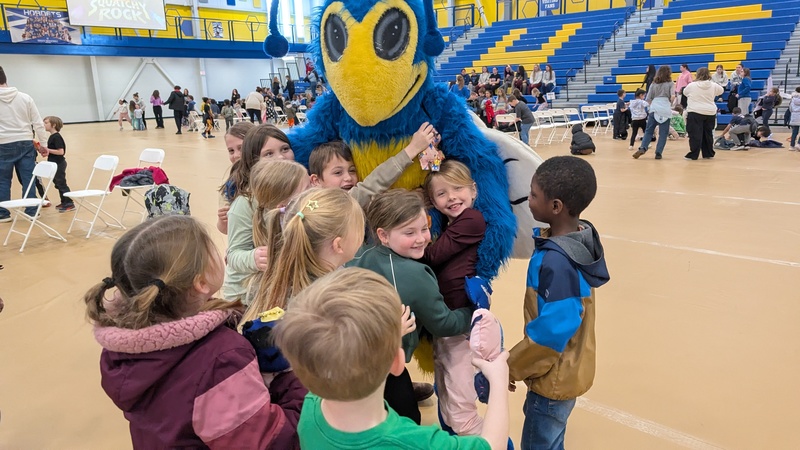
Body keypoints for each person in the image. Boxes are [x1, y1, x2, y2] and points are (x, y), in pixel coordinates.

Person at [85, 216, 306, 448]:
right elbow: (268, 442)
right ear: (200, 282)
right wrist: (292, 379)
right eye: (211, 246)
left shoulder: (122, 346)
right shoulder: (222, 357)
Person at [274, 267, 511, 450]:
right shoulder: (414, 442)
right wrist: (499, 381)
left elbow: (335, 357)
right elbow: (491, 445)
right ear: (398, 362)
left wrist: (381, 339)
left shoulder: (309, 408)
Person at [508, 156, 609, 450]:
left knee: (539, 442)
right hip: (568, 369)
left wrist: (511, 367)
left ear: (555, 207)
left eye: (534, 194)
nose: (528, 200)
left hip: (553, 378)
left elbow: (554, 330)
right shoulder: (578, 238)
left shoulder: (557, 261)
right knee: (552, 440)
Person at [349, 189, 474, 424]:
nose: (421, 238)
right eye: (409, 232)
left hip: (351, 359)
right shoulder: (416, 275)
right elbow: (444, 324)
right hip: (387, 365)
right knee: (407, 419)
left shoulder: (359, 255)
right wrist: (473, 311)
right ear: (383, 235)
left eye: (424, 228)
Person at [420, 161, 489, 436]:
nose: (451, 197)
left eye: (458, 188)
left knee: (460, 402)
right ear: (432, 200)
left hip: (461, 320)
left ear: (473, 190)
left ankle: (488, 441)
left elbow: (432, 256)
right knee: (446, 391)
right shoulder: (451, 224)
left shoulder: (472, 220)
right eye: (441, 193)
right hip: (446, 319)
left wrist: (405, 242)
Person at [222, 125, 295, 301]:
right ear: (254, 163)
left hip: (277, 290)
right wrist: (253, 258)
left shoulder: (299, 190)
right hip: (244, 297)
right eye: (268, 154)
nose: (280, 157)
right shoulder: (245, 203)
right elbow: (233, 255)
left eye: (285, 149)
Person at [308, 123, 437, 208]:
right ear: (316, 180)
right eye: (337, 172)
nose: (348, 177)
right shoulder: (330, 205)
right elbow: (373, 184)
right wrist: (412, 149)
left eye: (352, 170)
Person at [216, 121, 255, 234]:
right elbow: (225, 230)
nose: (236, 155)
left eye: (241, 148)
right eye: (231, 151)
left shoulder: (271, 176)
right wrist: (223, 221)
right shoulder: (229, 185)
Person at [633, 65, 675, 160]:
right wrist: (670, 102)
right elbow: (672, 96)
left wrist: (653, 105)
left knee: (649, 130)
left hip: (654, 108)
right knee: (663, 133)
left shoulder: (653, 84)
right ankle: (658, 152)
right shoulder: (671, 83)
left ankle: (643, 147)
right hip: (665, 108)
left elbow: (648, 99)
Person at [683, 67, 723, 160]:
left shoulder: (692, 85)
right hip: (710, 112)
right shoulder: (713, 85)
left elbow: (685, 92)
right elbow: (721, 90)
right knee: (708, 133)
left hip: (695, 111)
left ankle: (694, 154)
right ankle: (708, 153)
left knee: (695, 134)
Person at [39, 116, 74, 213]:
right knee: (58, 183)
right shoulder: (52, 137)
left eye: (46, 123)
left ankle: (69, 203)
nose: (43, 125)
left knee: (61, 183)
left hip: (59, 163)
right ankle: (64, 201)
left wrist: (47, 150)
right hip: (54, 163)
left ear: (53, 125)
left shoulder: (57, 137)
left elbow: (60, 152)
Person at [789, 87, 800, 151]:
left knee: (794, 132)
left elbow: (790, 108)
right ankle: (799, 144)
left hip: (794, 116)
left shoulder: (792, 99)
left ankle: (791, 146)